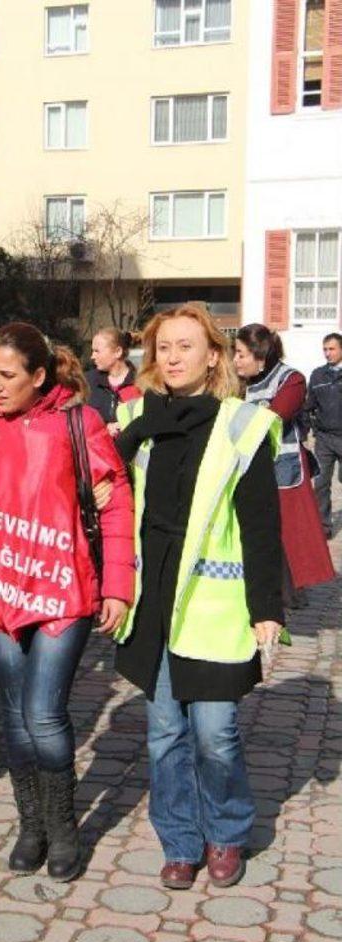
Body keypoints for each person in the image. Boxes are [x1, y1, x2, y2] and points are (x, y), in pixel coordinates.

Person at [0, 322, 135, 882]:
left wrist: (118, 585)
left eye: (7, 375)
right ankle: (32, 825)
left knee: (44, 715)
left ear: (39, 375)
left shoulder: (80, 422)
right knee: (15, 719)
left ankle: (64, 827)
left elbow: (116, 504)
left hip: (61, 590)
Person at [114, 304, 284, 891]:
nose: (174, 357)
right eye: (164, 348)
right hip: (152, 597)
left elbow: (261, 523)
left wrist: (265, 608)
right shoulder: (134, 417)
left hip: (213, 602)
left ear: (214, 355)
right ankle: (181, 842)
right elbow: (107, 499)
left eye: (187, 346)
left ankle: (227, 832)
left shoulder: (242, 425)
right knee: (164, 733)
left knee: (214, 733)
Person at [234, 324, 334, 605]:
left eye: (241, 354)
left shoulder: (292, 380)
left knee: (288, 533)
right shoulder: (239, 383)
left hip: (283, 468)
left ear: (260, 356)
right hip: (247, 466)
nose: (236, 361)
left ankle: (288, 593)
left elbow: (274, 417)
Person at [304, 333, 342, 539]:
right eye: (325, 349)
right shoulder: (318, 376)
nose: (328, 353)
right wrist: (308, 430)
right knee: (320, 484)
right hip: (325, 439)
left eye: (332, 349)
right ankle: (324, 527)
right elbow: (308, 406)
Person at [86, 327, 141, 436]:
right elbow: (79, 424)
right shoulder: (88, 381)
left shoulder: (140, 383)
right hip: (98, 450)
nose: (92, 356)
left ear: (117, 352)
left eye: (97, 351)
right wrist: (104, 430)